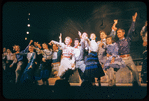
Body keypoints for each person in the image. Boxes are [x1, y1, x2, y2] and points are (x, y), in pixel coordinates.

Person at [110, 12, 141, 86]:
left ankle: (136, 84)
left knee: (135, 71)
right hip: (120, 59)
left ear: (123, 33)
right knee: (112, 69)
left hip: (128, 58)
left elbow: (131, 30)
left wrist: (133, 21)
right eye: (118, 33)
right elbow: (112, 37)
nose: (118, 34)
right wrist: (114, 25)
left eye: (120, 32)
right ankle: (112, 84)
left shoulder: (127, 39)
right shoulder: (116, 42)